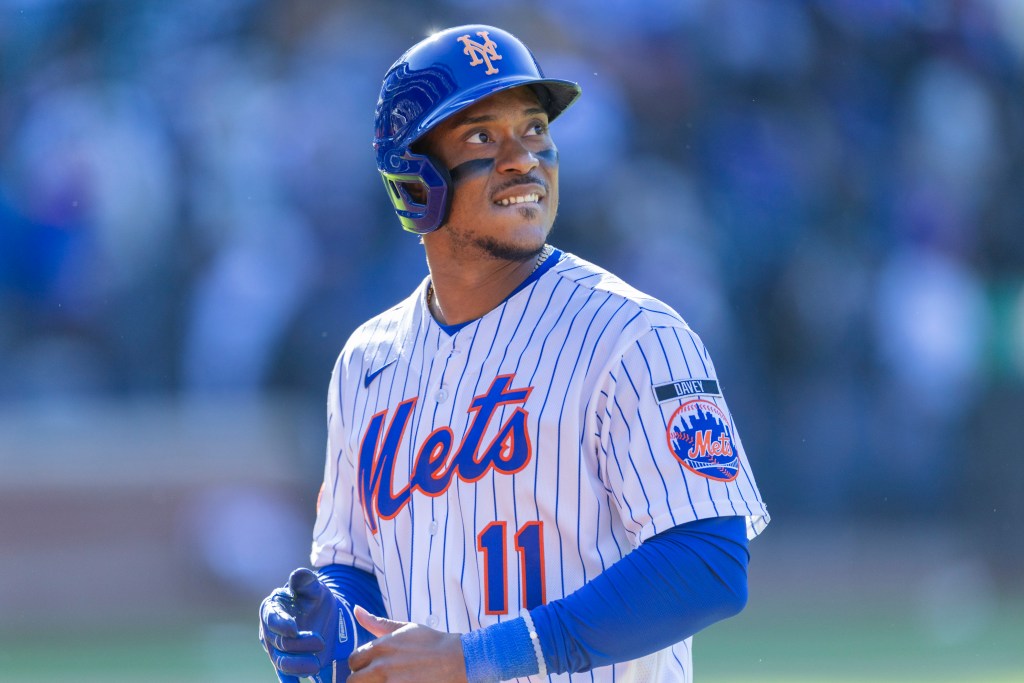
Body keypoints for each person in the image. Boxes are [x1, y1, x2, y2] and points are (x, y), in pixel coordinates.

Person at [259, 24, 769, 683]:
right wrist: (327, 624)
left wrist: (479, 657)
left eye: (534, 130)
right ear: (414, 173)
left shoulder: (634, 336)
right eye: (482, 136)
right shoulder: (366, 362)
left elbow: (708, 563)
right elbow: (351, 562)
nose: (522, 157)